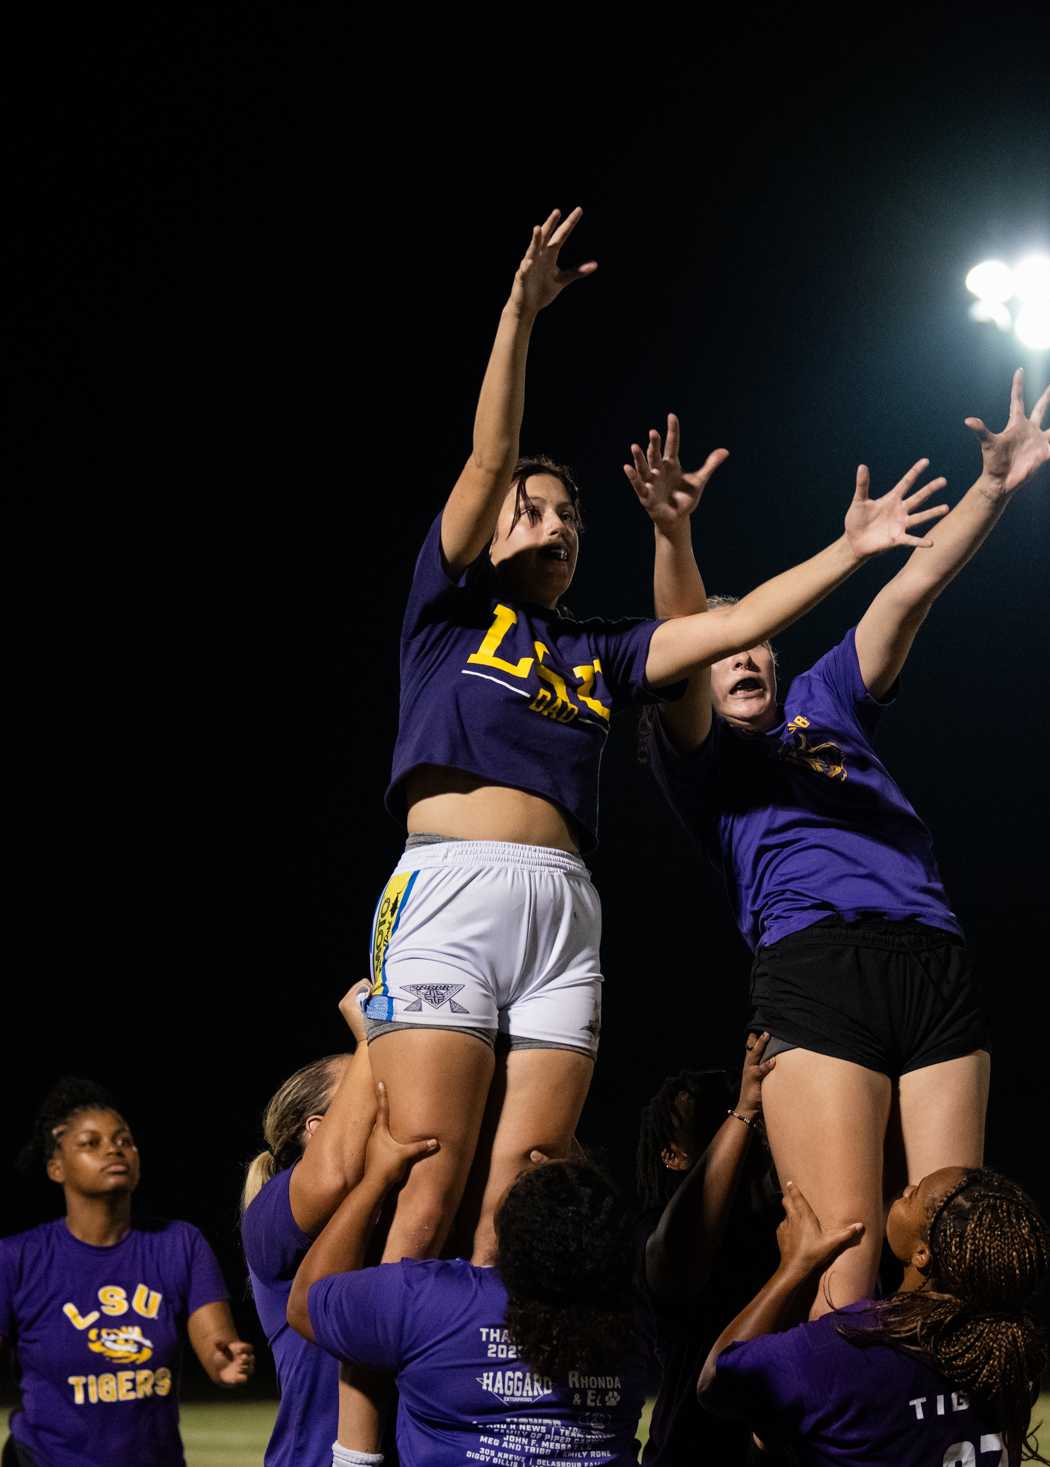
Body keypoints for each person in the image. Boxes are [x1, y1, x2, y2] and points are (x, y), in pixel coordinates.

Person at [367, 202, 950, 1281]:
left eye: (569, 517)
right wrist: (519, 313)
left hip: (561, 902)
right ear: (489, 527)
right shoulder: (446, 612)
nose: (553, 524)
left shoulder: (601, 647)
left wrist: (850, 549)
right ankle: (368, 1446)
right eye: (531, 512)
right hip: (449, 883)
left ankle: (504, 1420)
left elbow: (727, 626)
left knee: (529, 1169)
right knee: (429, 1173)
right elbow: (491, 454)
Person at [630, 375, 1050, 1313]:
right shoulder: (700, 760)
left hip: (931, 956)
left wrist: (994, 488)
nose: (743, 656)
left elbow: (912, 586)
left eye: (753, 644)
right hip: (815, 969)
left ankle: (962, 1446)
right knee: (847, 1256)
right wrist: (674, 536)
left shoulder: (825, 700)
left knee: (962, 1251)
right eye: (723, 653)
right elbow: (681, 635)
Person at [287, 1086, 654, 1466]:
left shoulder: (430, 1302)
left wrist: (375, 1181)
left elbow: (305, 1303)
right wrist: (578, 1183)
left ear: (509, 1239)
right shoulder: (634, 1328)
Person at [0, 1078, 254, 1467]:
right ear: (56, 1168)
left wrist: (224, 1363)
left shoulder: (179, 1244)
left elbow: (217, 1342)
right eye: (91, 1143)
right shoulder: (14, 1260)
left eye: (124, 1141)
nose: (114, 1149)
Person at [699, 1168, 1050, 1467]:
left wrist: (793, 1268)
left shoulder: (849, 1346)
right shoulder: (1006, 1355)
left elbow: (715, 1380)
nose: (905, 1190)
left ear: (922, 1253)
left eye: (913, 1197)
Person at [240, 983, 384, 1467]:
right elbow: (334, 1174)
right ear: (318, 1129)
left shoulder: (401, 1201)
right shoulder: (271, 1211)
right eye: (363, 1088)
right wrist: (369, 1039)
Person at [639, 1034, 783, 1466]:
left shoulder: (779, 1213)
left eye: (727, 1111)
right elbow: (680, 1262)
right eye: (709, 1121)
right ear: (672, 1155)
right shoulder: (654, 1228)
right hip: (690, 1450)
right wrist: (744, 1110)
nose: (730, 1124)